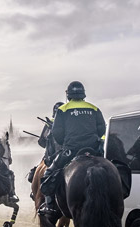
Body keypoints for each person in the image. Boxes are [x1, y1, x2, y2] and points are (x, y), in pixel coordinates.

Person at [38, 81, 106, 217]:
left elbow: (57, 133)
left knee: (48, 175)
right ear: (83, 94)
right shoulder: (94, 108)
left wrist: (66, 144)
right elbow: (102, 129)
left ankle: (50, 206)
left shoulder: (63, 110)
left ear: (68, 95)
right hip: (94, 150)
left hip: (71, 150)